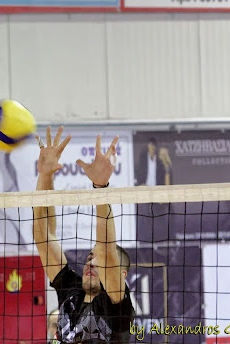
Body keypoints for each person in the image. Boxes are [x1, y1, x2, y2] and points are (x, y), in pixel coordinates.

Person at [33, 126, 134, 344]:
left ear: (121, 275)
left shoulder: (117, 306)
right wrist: (45, 176)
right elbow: (44, 237)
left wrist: (100, 188)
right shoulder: (71, 290)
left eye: (98, 262)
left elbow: (107, 250)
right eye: (90, 258)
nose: (91, 263)